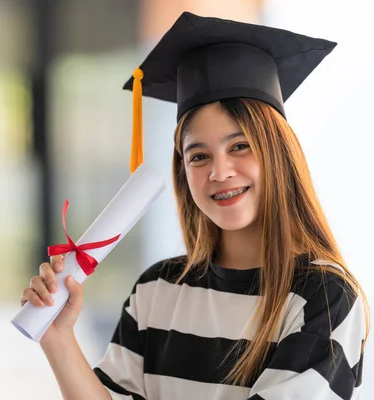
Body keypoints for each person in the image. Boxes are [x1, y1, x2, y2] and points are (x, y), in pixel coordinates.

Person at [19, 12, 369, 400]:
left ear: (279, 153)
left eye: (240, 146)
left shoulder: (323, 296)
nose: (219, 172)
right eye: (198, 156)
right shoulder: (157, 289)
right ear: (182, 171)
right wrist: (57, 336)